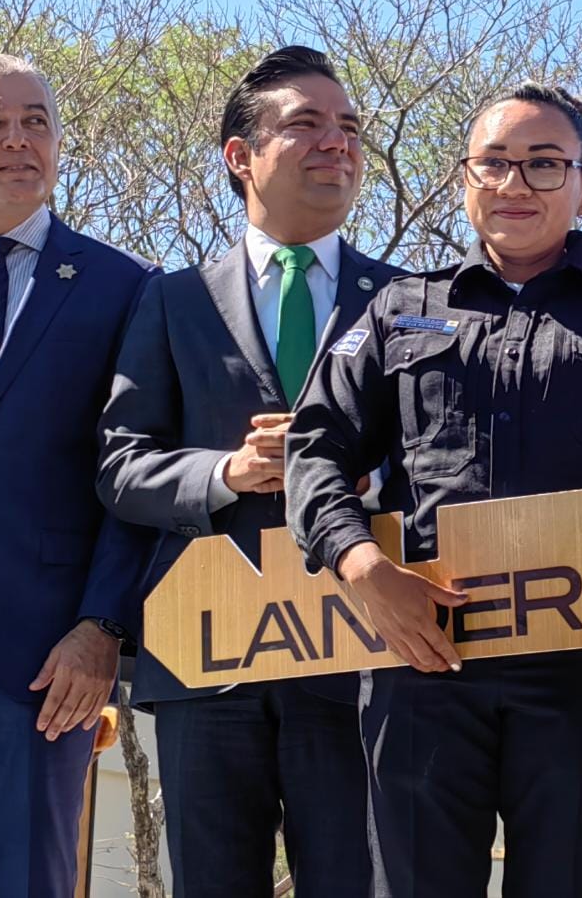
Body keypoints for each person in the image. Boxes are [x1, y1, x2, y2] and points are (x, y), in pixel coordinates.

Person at [286, 82, 582, 897]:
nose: (515, 185)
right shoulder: (399, 309)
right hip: (423, 661)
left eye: (544, 166)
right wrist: (360, 564)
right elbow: (313, 447)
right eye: (494, 164)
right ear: (464, 179)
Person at [97, 46, 397, 897]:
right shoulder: (171, 300)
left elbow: (445, 472)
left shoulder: (411, 301)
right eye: (306, 124)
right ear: (240, 155)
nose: (335, 142)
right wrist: (229, 469)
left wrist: (354, 482)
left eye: (348, 127)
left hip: (360, 653)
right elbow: (122, 469)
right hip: (208, 657)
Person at [0, 53, 156, 897]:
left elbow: (133, 475)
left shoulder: (126, 288)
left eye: (36, 121)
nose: (19, 141)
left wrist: (102, 627)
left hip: (48, 655)